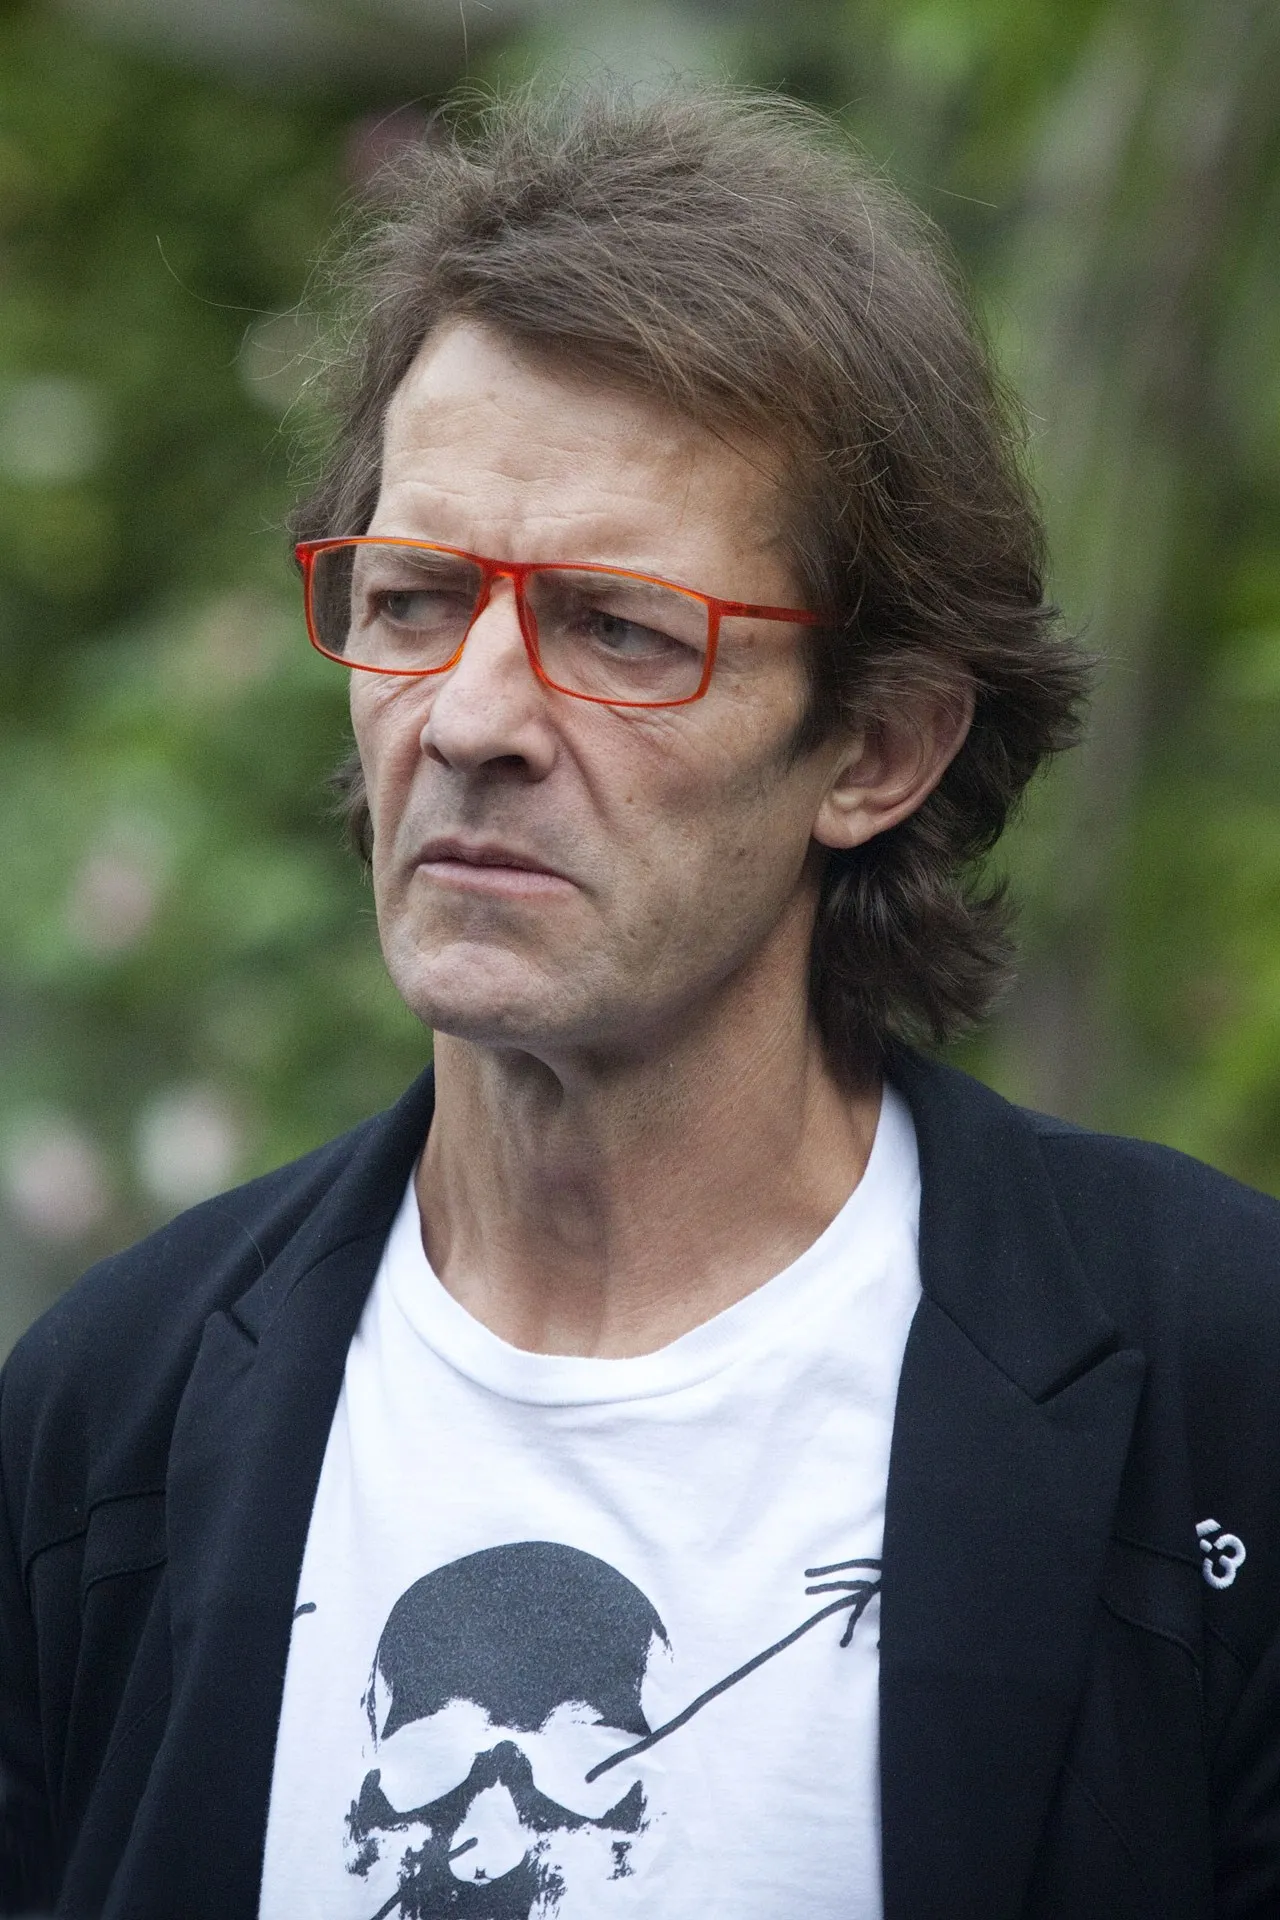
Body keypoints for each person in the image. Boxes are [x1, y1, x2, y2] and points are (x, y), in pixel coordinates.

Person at [2, 83, 1278, 1920]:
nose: (471, 718)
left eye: (617, 629)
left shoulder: (1218, 1388)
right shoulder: (105, 1416)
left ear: (880, 747)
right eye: (416, 597)